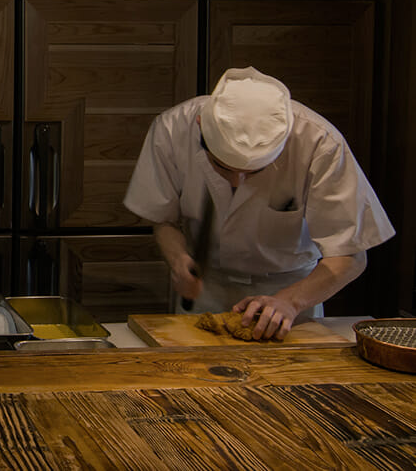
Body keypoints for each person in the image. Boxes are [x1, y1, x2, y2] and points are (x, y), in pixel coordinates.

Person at [123, 66, 394, 341]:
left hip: (291, 295)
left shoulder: (320, 142)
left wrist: (291, 301)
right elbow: (163, 220)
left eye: (254, 173)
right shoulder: (172, 129)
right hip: (206, 290)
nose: (238, 183)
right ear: (200, 125)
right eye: (222, 166)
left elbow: (350, 255)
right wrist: (178, 259)